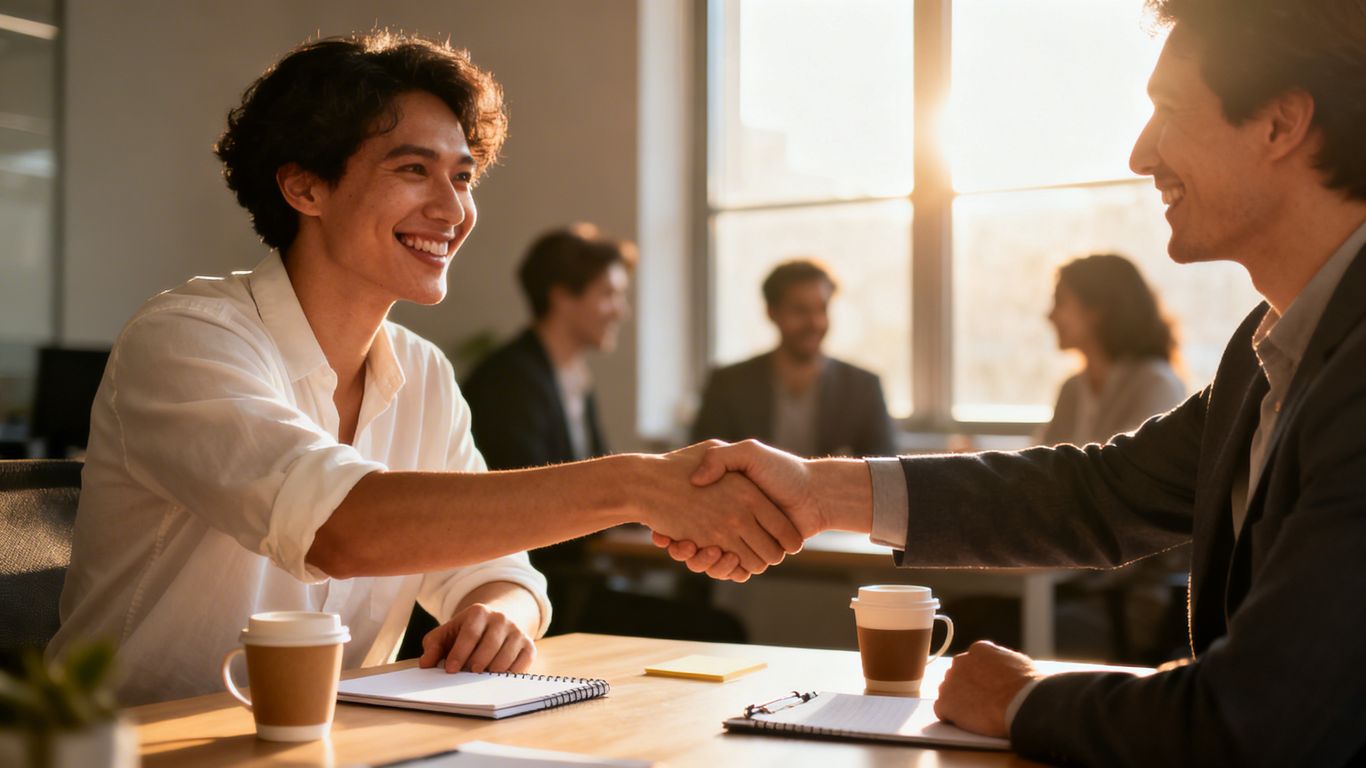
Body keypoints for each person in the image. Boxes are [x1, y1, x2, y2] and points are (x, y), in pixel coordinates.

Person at [659, 0, 1366, 763]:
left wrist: (1023, 699)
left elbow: (1251, 719)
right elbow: (1100, 493)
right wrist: (819, 493)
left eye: (1169, 109)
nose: (1141, 154)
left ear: (1280, 123)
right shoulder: (1265, 351)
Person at [47, 31, 800, 705]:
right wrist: (635, 484)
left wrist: (497, 614)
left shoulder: (424, 372)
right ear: (304, 186)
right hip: (133, 745)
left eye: (463, 177)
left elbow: (503, 572)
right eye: (414, 169)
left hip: (334, 744)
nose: (453, 209)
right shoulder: (187, 340)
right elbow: (339, 528)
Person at [463, 223, 633, 471]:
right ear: (561, 296)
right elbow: (522, 485)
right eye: (608, 294)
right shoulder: (509, 381)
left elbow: (602, 473)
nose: (621, 311)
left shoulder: (574, 376)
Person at [691, 259, 896, 457]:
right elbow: (704, 461)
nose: (815, 322)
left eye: (822, 309)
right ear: (772, 312)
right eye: (800, 310)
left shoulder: (863, 387)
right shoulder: (728, 384)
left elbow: (882, 472)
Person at [1039, 253, 1186, 447]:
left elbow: (1139, 462)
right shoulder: (1072, 389)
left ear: (1096, 310)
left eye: (1060, 302)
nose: (1050, 315)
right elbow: (1044, 457)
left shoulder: (1156, 385)